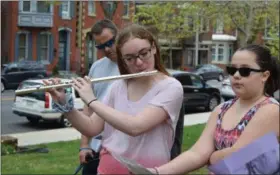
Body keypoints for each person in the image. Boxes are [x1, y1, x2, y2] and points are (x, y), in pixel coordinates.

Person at [44, 24, 184, 174]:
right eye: (129, 58)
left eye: (144, 53)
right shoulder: (118, 86)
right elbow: (91, 127)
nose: (138, 62)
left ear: (154, 48)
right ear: (122, 60)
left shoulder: (170, 87)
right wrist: (64, 103)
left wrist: (92, 101)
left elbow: (136, 127)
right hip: (106, 169)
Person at [148, 44, 280, 174]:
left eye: (245, 71)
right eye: (232, 70)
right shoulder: (221, 109)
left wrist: (212, 157)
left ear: (265, 75)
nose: (236, 75)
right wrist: (157, 172)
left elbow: (236, 158)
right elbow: (197, 153)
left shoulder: (270, 110)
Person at [79, 19, 120, 175]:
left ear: (119, 36)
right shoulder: (97, 67)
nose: (107, 49)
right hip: (95, 148)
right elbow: (88, 107)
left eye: (110, 42)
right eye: (101, 46)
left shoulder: (131, 67)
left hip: (119, 148)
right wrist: (84, 145)